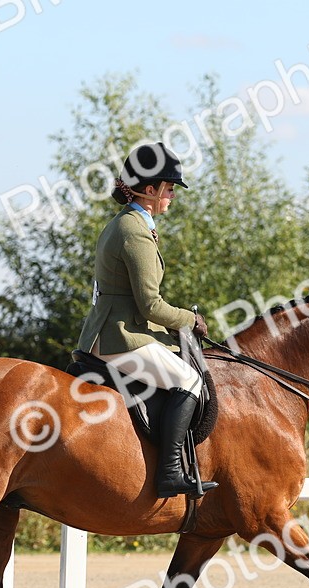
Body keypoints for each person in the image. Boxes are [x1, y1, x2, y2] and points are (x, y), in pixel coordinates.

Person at [75, 142, 218, 498]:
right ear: (150, 189)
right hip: (119, 337)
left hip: (114, 328)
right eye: (169, 188)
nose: (172, 195)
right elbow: (151, 305)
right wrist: (190, 319)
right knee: (188, 380)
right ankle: (169, 472)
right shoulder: (134, 230)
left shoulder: (129, 224)